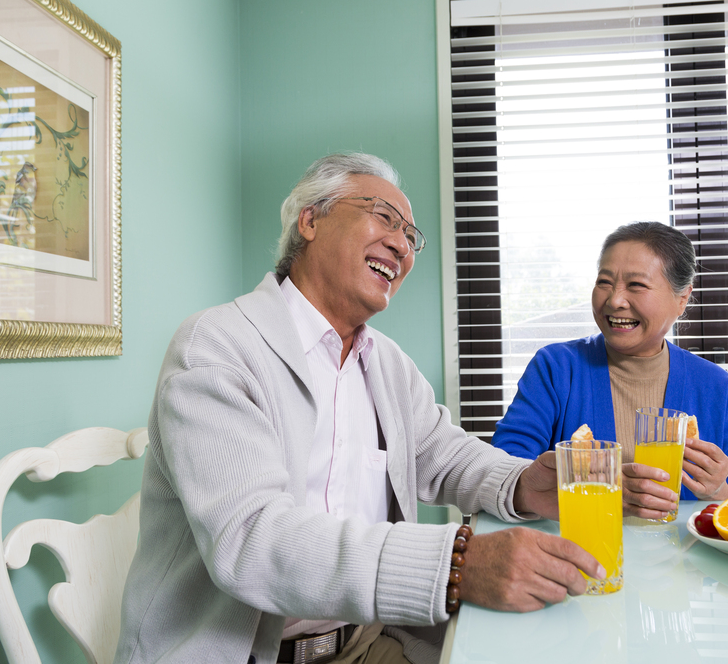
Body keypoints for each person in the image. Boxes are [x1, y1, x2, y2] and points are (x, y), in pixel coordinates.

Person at [114, 153, 603, 664]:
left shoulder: (385, 362)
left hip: (367, 643)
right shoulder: (216, 346)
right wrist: (454, 564)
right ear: (310, 219)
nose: (401, 245)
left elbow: (445, 455)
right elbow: (253, 542)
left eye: (411, 236)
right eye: (384, 218)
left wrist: (524, 482)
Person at [492, 221, 728, 520]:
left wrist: (716, 491)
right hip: (578, 554)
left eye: (636, 285)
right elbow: (505, 470)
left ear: (682, 299)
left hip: (684, 563)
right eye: (604, 282)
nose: (614, 300)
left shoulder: (717, 388)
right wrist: (598, 486)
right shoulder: (556, 367)